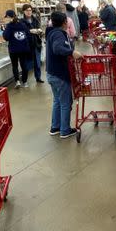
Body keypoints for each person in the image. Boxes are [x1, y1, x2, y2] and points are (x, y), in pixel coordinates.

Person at [46, 11, 82, 139]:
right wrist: (71, 52)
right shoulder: (58, 34)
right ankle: (65, 130)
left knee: (57, 101)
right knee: (66, 102)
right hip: (59, 75)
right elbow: (57, 48)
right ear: (65, 23)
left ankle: (55, 127)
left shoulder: (51, 32)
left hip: (52, 73)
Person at [2, 9, 32, 88]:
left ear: (9, 17)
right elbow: (28, 35)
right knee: (24, 65)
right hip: (23, 48)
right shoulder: (22, 24)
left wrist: (6, 28)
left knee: (14, 65)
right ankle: (25, 82)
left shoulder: (9, 26)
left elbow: (6, 37)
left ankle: (17, 81)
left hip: (13, 49)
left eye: (7, 17)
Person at [19, 3, 44, 83]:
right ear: (23, 11)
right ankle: (25, 80)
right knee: (27, 63)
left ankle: (38, 77)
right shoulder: (21, 21)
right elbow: (22, 32)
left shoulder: (35, 19)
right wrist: (30, 31)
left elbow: (39, 29)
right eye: (27, 10)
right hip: (27, 45)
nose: (29, 12)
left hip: (36, 43)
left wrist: (39, 31)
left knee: (37, 62)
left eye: (30, 10)